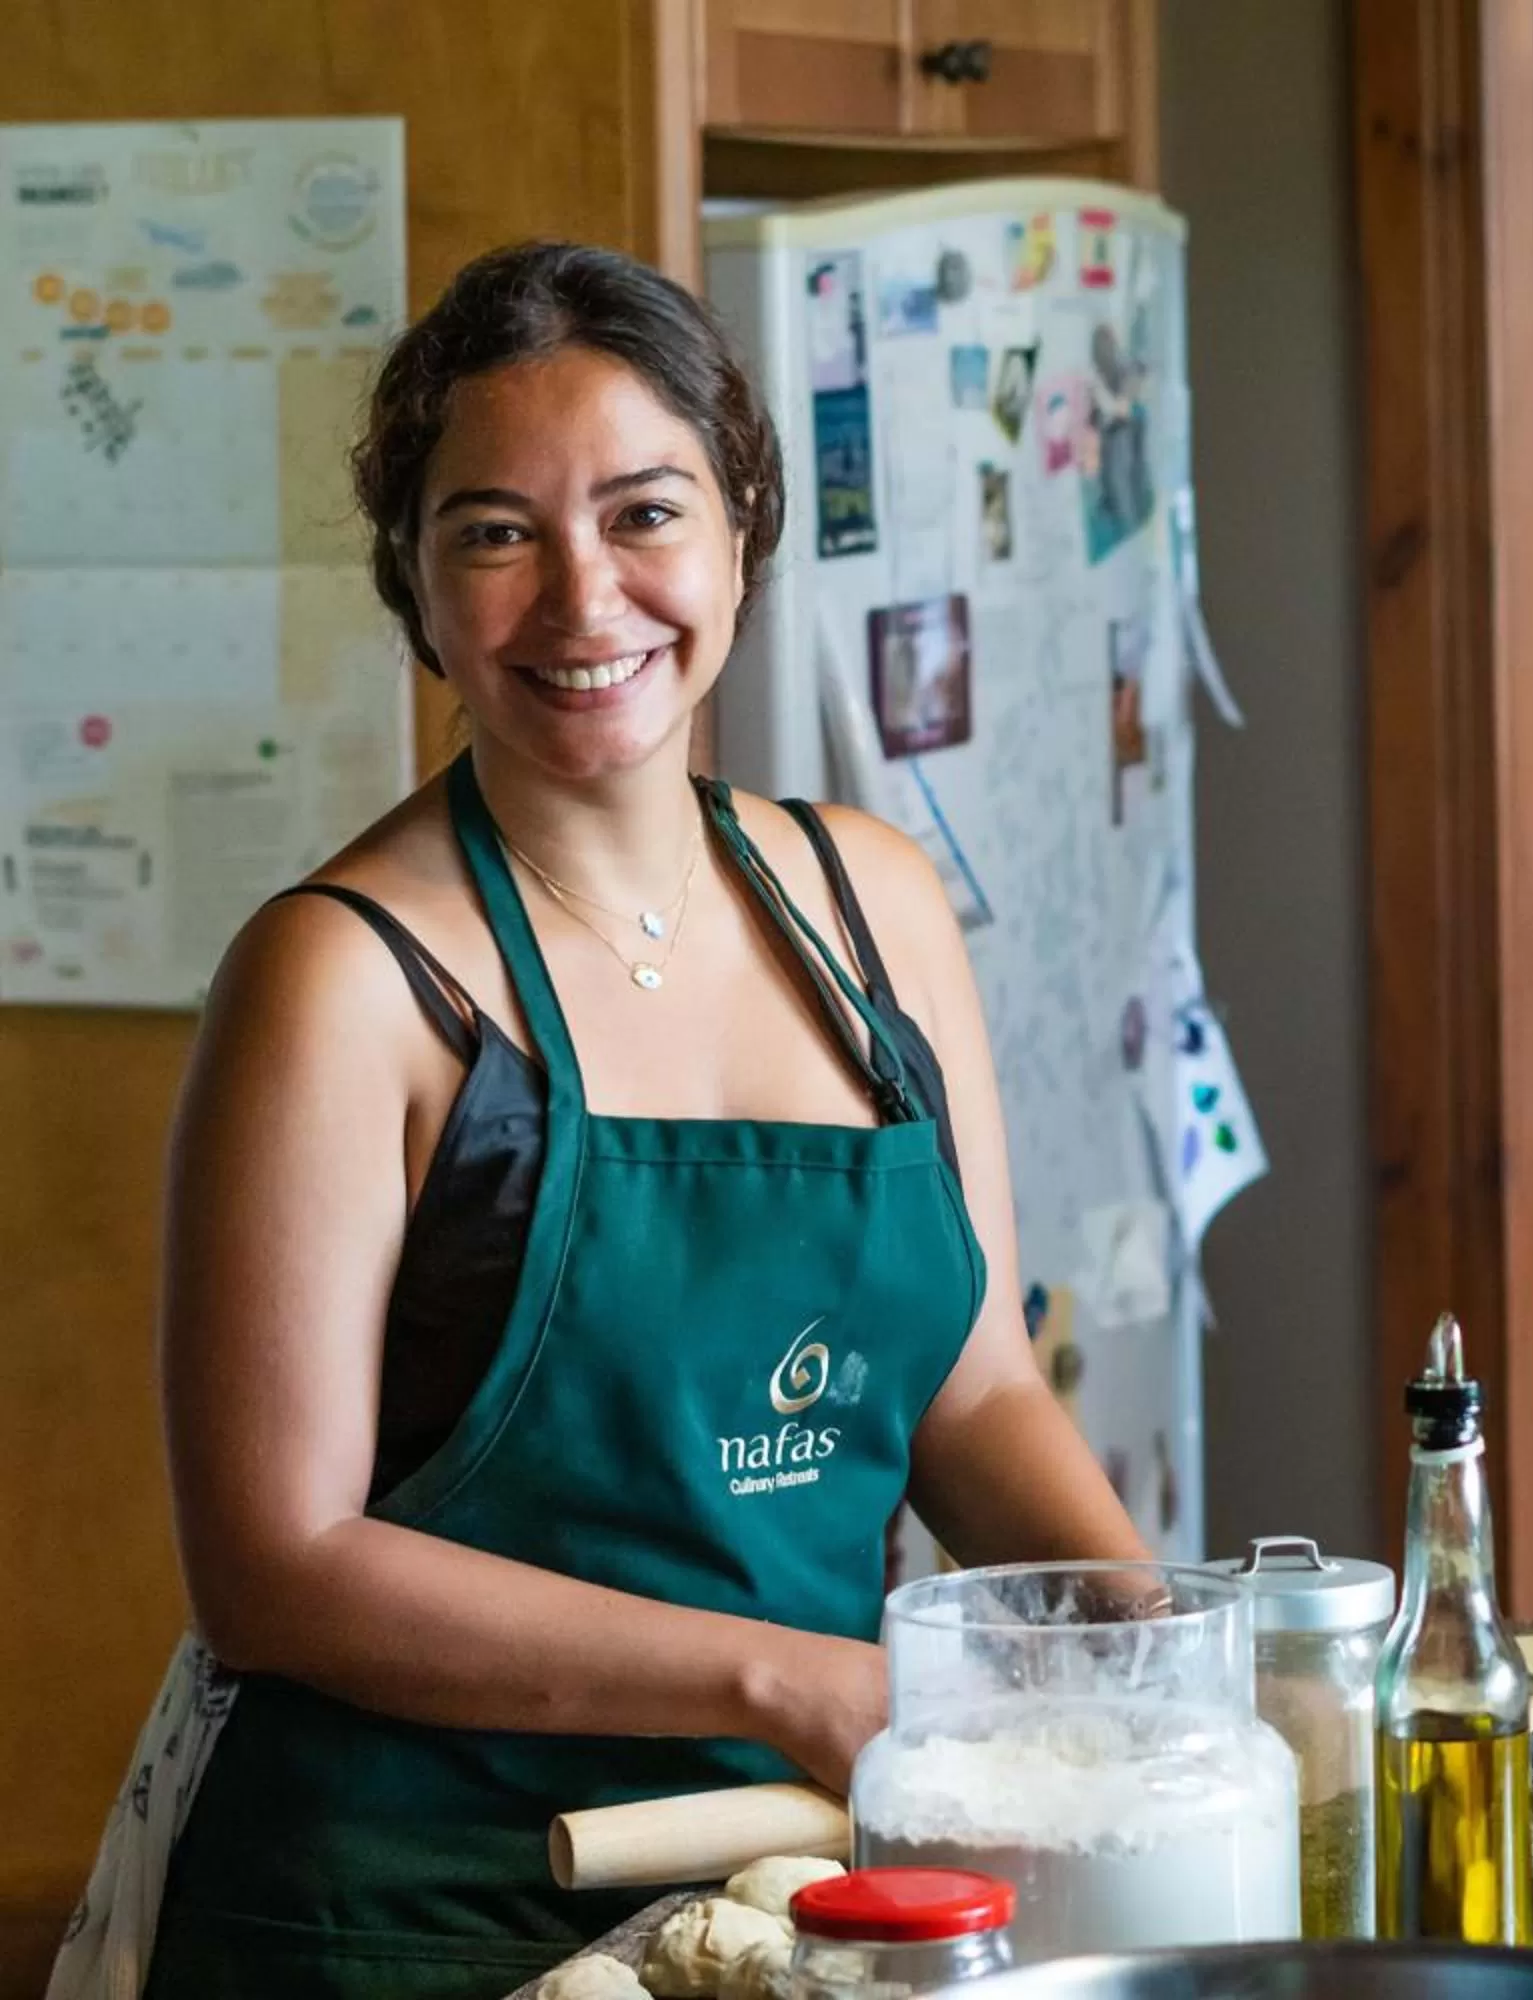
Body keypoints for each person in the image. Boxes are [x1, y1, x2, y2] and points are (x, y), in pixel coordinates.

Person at [52, 241, 1146, 2000]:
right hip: (403, 1917)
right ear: (413, 585)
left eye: (646, 514)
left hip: (794, 1897)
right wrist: (775, 1679)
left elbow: (974, 1380)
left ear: (740, 530)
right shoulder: (341, 982)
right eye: (494, 532)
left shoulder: (874, 908)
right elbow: (277, 1566)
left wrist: (1150, 1645)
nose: (583, 599)